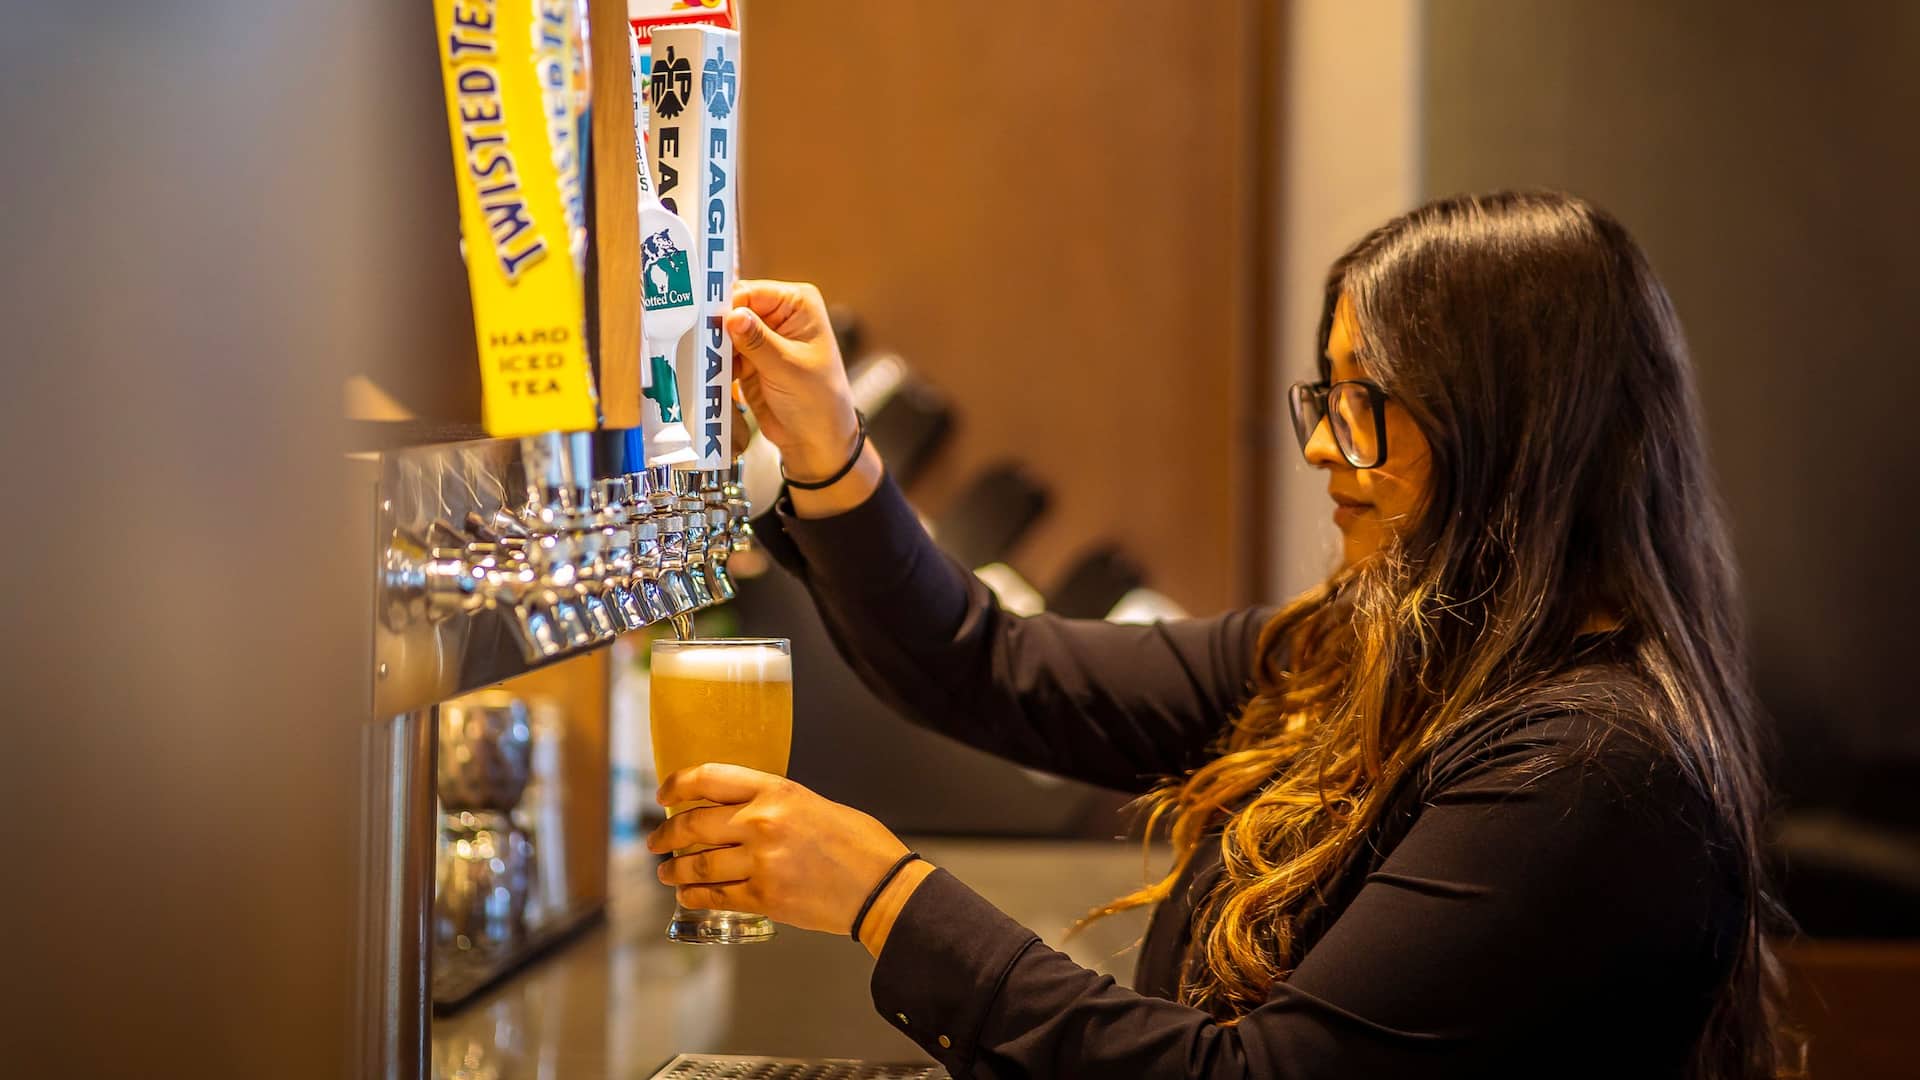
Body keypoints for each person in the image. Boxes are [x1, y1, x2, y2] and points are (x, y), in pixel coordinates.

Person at [644, 191, 1795, 1078]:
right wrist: (829, 452)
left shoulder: (1586, 768)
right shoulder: (1362, 659)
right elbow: (989, 666)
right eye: (1325, 396)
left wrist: (885, 897)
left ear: (1515, 432)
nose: (1321, 445)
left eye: (1366, 399)